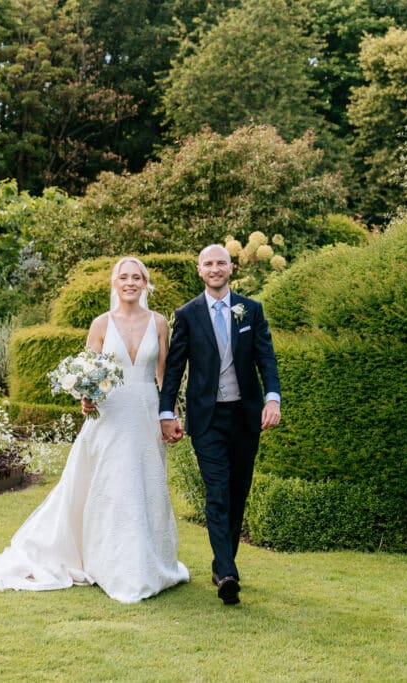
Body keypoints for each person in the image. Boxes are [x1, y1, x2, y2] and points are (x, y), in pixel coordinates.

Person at [0, 257, 190, 603]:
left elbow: (164, 375)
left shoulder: (160, 323)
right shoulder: (101, 324)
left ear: (145, 284)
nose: (131, 282)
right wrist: (85, 400)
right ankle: (112, 565)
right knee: (113, 485)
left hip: (146, 412)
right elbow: (89, 375)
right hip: (111, 415)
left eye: (137, 277)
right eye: (124, 277)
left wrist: (171, 414)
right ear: (114, 283)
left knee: (147, 483)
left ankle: (151, 562)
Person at [159, 244, 281, 605]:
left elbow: (267, 359)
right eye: (208, 264)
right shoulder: (187, 314)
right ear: (200, 270)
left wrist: (272, 397)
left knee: (238, 490)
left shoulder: (251, 310)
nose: (215, 269)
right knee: (217, 491)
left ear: (231, 268)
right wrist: (168, 411)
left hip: (245, 416)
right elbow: (175, 368)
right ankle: (227, 572)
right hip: (207, 418)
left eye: (220, 263)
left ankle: (222, 563)